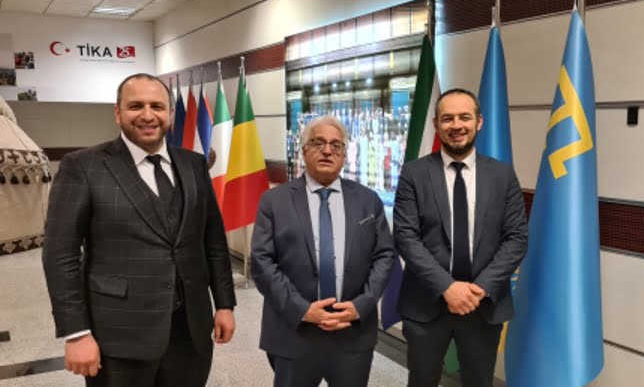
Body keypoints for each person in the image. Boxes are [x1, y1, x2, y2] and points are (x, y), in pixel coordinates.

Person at [42, 73, 237, 387]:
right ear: (117, 113)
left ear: (170, 114)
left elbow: (212, 240)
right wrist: (76, 333)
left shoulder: (194, 165)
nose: (148, 115)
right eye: (136, 106)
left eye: (157, 106)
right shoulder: (83, 166)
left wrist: (225, 304)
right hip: (118, 335)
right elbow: (60, 255)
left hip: (190, 331)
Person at [394, 88, 528, 387]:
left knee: (479, 382)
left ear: (479, 122)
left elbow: (516, 238)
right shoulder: (414, 174)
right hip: (426, 303)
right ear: (436, 124)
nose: (457, 125)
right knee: (421, 381)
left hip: (483, 304)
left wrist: (481, 288)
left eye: (464, 117)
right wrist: (447, 287)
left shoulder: (503, 175)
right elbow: (405, 237)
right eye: (448, 118)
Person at [251, 116, 395, 387]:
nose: (327, 150)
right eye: (318, 143)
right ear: (304, 150)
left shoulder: (368, 200)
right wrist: (303, 310)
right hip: (294, 331)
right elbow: (262, 262)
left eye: (336, 145)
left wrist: (361, 305)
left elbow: (385, 256)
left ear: (344, 154)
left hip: (352, 331)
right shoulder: (274, 201)